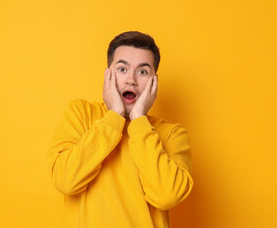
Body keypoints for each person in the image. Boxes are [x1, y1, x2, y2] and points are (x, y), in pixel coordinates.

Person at [47, 31, 193, 227]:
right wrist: (114, 117)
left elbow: (167, 196)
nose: (131, 80)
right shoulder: (80, 114)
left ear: (154, 82)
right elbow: (65, 181)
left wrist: (139, 120)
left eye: (142, 72)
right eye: (122, 69)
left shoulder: (172, 134)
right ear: (108, 74)